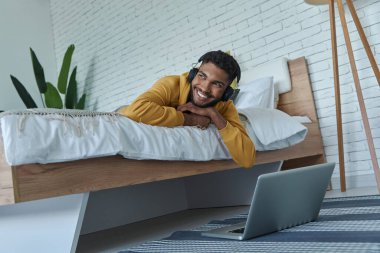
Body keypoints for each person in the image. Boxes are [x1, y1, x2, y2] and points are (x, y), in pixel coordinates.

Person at [118, 50, 255, 168]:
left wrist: (213, 114)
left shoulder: (224, 107)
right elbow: (134, 111)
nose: (205, 88)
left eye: (217, 84)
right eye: (202, 76)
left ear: (227, 93)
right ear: (193, 74)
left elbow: (247, 159)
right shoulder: (170, 84)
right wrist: (191, 119)